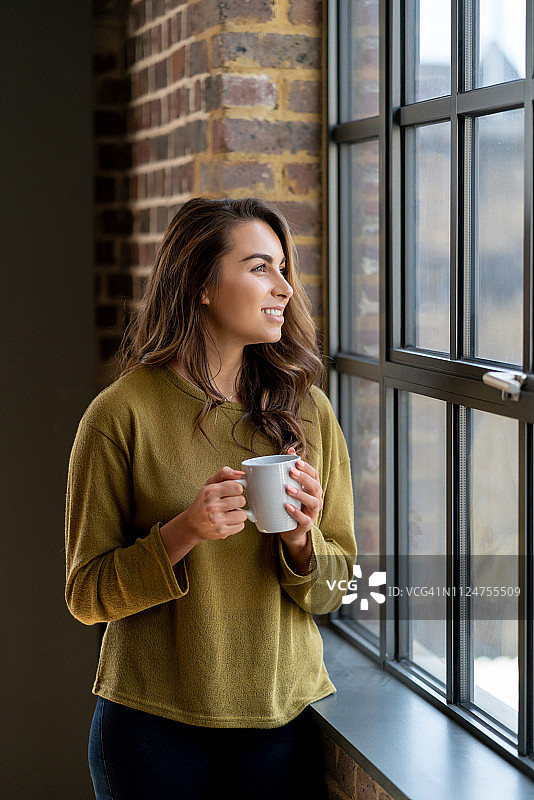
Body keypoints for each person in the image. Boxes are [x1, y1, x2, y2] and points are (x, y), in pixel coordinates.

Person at [65, 196, 357, 800]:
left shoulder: (308, 413)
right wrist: (184, 531)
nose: (283, 289)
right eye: (258, 268)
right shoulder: (120, 415)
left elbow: (334, 589)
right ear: (200, 284)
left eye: (283, 269)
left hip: (280, 721)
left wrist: (301, 543)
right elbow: (86, 596)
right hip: (150, 727)